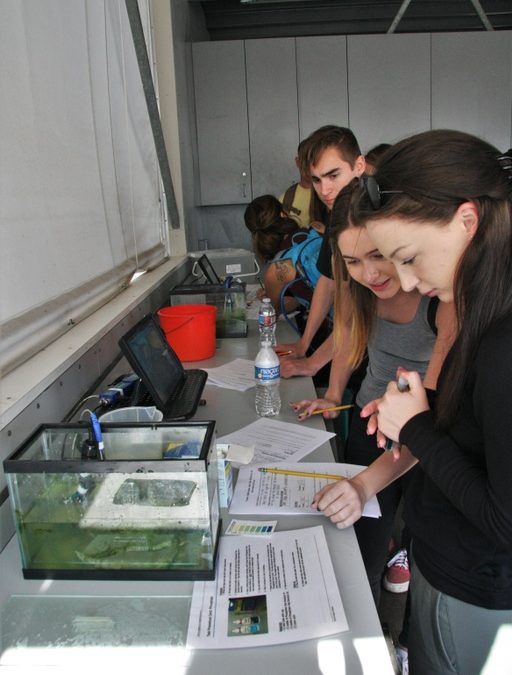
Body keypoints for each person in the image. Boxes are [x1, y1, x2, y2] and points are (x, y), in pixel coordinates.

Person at [312, 130, 512, 675]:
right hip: (441, 555)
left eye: (404, 258)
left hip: (475, 581)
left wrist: (417, 426)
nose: (399, 280)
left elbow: (502, 514)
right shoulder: (461, 304)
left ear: (467, 222)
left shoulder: (492, 334)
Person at [291, 181, 455, 607]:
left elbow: (431, 416)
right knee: (359, 548)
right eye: (353, 261)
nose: (371, 274)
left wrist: (364, 485)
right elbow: (348, 337)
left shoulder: (441, 296)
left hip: (426, 433)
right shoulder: (356, 287)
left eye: (379, 255)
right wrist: (333, 391)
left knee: (423, 542)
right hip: (371, 420)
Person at [275, 125, 366, 379]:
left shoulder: (372, 222)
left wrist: (314, 363)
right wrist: (304, 345)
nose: (324, 190)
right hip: (352, 342)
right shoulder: (338, 215)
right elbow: (328, 281)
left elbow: (359, 315)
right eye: (316, 180)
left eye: (333, 175)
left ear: (359, 166)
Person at [243, 194, 324, 315]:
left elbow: (274, 312)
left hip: (336, 323)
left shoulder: (275, 271)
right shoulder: (316, 228)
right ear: (283, 214)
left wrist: (271, 295)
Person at [279, 139, 316, 229]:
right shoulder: (286, 198)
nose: (308, 166)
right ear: (297, 162)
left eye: (312, 160)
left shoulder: (328, 193)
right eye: (304, 160)